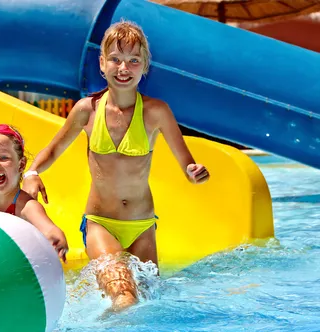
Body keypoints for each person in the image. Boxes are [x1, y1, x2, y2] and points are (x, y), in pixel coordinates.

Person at [22, 21, 209, 310]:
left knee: (149, 304)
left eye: (134, 61)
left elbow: (187, 163)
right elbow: (53, 149)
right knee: (125, 298)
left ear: (145, 65)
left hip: (143, 225)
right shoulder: (88, 110)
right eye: (116, 59)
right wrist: (32, 173)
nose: (124, 68)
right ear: (102, 63)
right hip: (101, 224)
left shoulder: (156, 112)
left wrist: (195, 174)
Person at [0, 124, 68, 261]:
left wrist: (57, 239)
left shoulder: (26, 206)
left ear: (21, 165)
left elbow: (49, 229)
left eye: (3, 158)